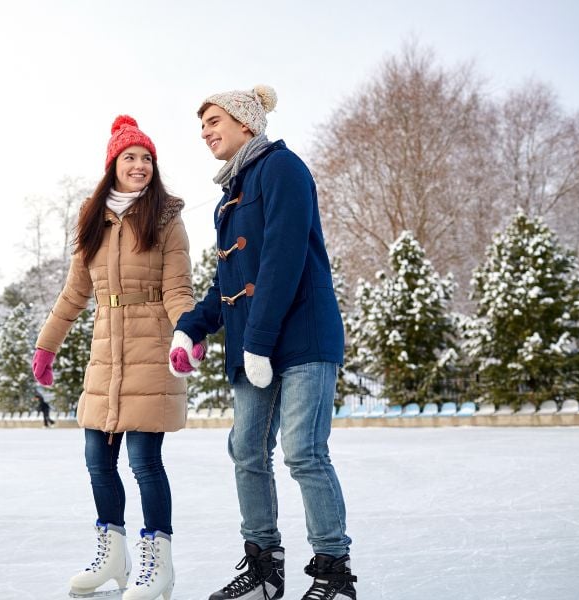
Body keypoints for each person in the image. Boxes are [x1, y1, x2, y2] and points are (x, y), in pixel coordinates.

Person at [169, 86, 357, 600]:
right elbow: (229, 280)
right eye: (202, 125)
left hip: (300, 337)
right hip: (256, 346)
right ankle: (264, 569)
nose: (205, 131)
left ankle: (334, 575)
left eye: (213, 120)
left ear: (246, 122)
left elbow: (283, 258)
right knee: (247, 450)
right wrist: (192, 325)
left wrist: (259, 339)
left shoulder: (283, 168)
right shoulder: (231, 193)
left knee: (303, 452)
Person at [32, 115, 198, 600]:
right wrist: (47, 344)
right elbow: (74, 292)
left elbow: (177, 287)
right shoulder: (93, 218)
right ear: (113, 164)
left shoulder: (166, 217)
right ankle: (114, 555)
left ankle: (158, 562)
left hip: (150, 347)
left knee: (145, 461)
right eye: (131, 157)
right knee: (97, 460)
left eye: (147, 158)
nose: (140, 165)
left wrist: (187, 332)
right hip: (106, 351)